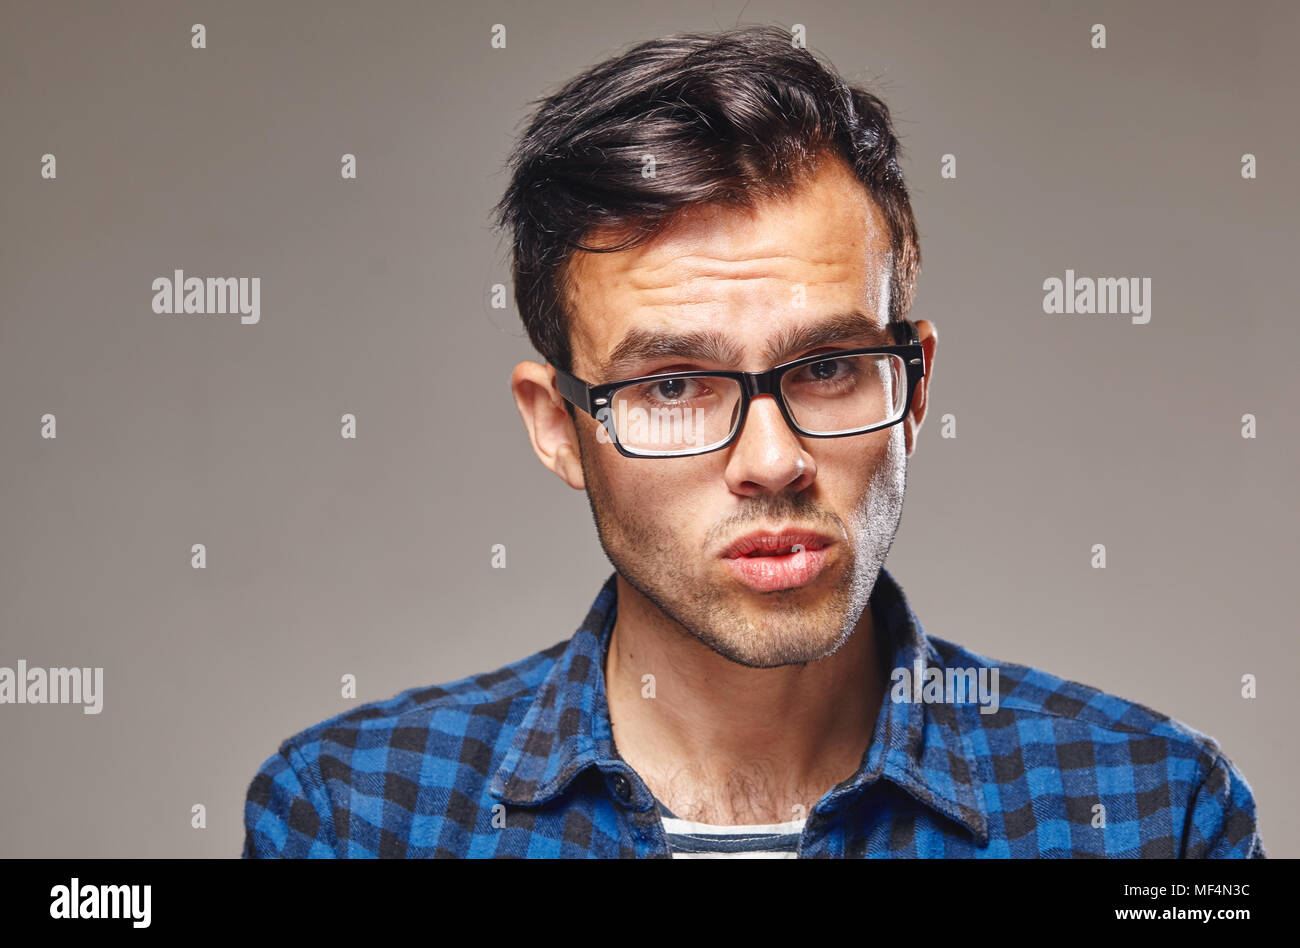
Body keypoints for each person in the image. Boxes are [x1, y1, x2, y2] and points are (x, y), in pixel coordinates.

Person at [243, 24, 1264, 858]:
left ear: (913, 392)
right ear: (560, 429)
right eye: (675, 384)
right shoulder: (352, 818)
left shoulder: (1148, 820)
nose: (772, 461)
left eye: (825, 368)